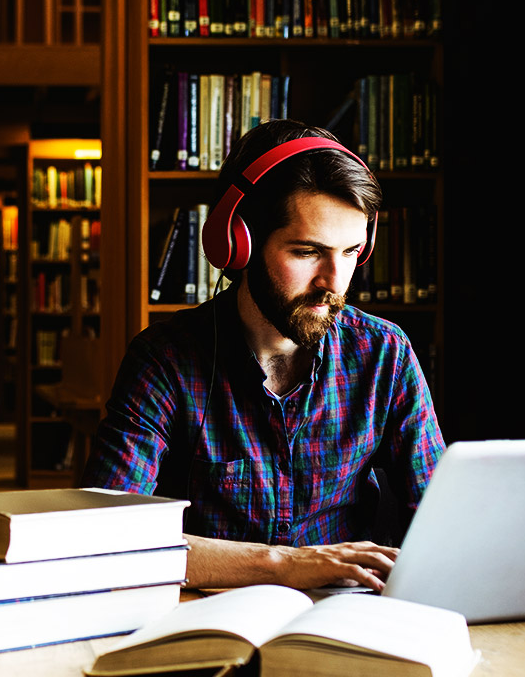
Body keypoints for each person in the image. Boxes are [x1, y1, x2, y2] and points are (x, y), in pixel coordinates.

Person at [81, 120, 444, 591]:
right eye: (308, 252)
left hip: (344, 616)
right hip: (207, 617)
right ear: (238, 243)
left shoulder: (384, 354)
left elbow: (440, 520)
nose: (334, 281)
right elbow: (103, 537)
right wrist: (283, 565)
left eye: (352, 251)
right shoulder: (164, 360)